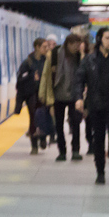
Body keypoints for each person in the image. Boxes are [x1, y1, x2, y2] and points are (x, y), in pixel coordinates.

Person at [73, 28, 109, 186]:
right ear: (99, 40)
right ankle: (100, 172)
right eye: (107, 38)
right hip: (96, 106)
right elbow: (79, 80)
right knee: (98, 140)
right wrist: (78, 98)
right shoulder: (89, 60)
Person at [40, 33, 84, 161]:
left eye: (78, 45)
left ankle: (75, 150)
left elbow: (84, 75)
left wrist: (82, 56)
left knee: (75, 123)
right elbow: (46, 75)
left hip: (75, 95)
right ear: (68, 44)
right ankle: (62, 151)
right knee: (58, 125)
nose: (77, 48)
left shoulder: (79, 56)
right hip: (57, 95)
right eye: (75, 45)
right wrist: (44, 95)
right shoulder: (54, 55)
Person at [16, 37, 49, 154]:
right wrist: (31, 77)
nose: (47, 49)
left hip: (44, 94)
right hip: (32, 95)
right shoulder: (27, 62)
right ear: (37, 48)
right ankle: (34, 145)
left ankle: (43, 137)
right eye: (44, 47)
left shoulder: (47, 61)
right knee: (34, 119)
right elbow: (20, 78)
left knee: (44, 117)